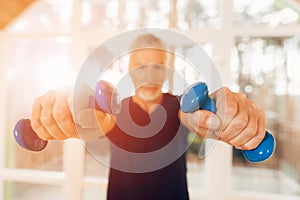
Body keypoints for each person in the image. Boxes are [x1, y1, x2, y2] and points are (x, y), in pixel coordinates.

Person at [30, 34, 266, 200]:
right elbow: (98, 124)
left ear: (166, 70)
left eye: (157, 66)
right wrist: (75, 118)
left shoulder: (180, 106)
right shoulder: (115, 109)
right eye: (141, 67)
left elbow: (194, 119)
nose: (150, 76)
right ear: (130, 70)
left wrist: (221, 120)